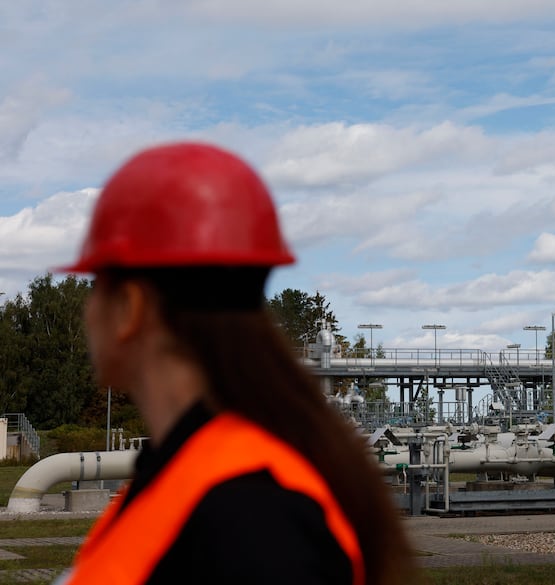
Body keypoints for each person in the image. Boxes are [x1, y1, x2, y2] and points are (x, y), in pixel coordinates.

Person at [56, 142, 414, 584]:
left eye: (95, 287)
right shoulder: (191, 477)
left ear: (130, 308)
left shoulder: (251, 518)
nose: (86, 311)